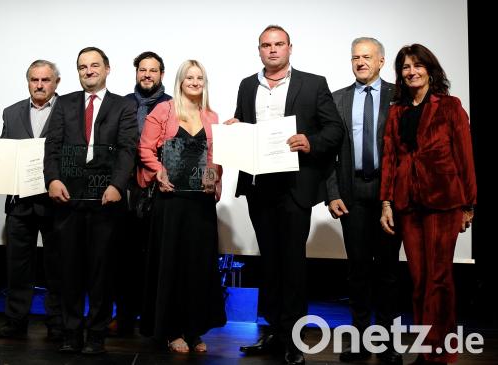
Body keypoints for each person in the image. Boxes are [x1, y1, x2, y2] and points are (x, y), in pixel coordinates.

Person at [229, 25, 344, 365]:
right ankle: (274, 332)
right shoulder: (248, 85)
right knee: (269, 262)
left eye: (279, 44)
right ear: (259, 50)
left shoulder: (314, 83)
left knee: (292, 262)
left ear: (290, 48)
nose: (273, 50)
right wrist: (235, 129)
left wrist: (311, 142)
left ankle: (294, 337)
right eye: (267, 45)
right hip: (259, 185)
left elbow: (334, 130)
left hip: (296, 186)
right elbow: (245, 125)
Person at [380, 44, 476, 364]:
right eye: (406, 67)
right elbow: (391, 158)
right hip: (408, 204)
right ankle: (426, 349)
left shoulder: (450, 106)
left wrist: (469, 205)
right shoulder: (398, 111)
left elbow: (465, 155)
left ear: (430, 69)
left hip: (443, 202)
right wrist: (387, 202)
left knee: (439, 278)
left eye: (417, 66)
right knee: (420, 280)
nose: (411, 72)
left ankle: (441, 351)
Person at [43, 46, 138, 355]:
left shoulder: (123, 106)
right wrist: (52, 179)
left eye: (94, 65)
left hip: (105, 201)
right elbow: (53, 144)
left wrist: (117, 185)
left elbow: (127, 149)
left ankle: (96, 335)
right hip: (68, 198)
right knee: (69, 270)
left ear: (107, 69)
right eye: (82, 66)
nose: (88, 71)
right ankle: (71, 333)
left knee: (101, 272)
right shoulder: (65, 103)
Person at [137, 59, 226, 354]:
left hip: (200, 204)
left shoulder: (211, 116)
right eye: (189, 77)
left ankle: (194, 329)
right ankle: (172, 330)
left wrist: (212, 180)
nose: (195, 82)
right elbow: (145, 149)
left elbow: (215, 158)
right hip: (171, 201)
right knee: (171, 265)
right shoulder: (163, 111)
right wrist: (158, 172)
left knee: (198, 267)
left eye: (200, 77)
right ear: (180, 81)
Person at [325, 37, 403, 364]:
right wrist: (332, 193)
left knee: (387, 271)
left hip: (390, 196)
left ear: (381, 61)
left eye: (367, 57)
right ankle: (358, 341)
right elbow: (328, 152)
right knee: (357, 271)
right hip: (351, 192)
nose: (360, 62)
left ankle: (384, 342)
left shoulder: (398, 96)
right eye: (355, 57)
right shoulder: (337, 99)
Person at [0, 60, 64, 341]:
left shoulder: (68, 111)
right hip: (20, 202)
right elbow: (4, 149)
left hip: (56, 202)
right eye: (34, 79)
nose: (39, 85)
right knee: (18, 265)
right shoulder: (11, 112)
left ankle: (57, 321)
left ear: (56, 82)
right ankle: (15, 320)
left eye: (45, 80)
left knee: (57, 266)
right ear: (27, 82)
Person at [111, 51, 172, 337]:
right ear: (136, 73)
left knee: (154, 257)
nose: (147, 75)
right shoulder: (121, 103)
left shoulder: (172, 106)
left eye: (153, 70)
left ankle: (151, 317)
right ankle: (122, 317)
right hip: (124, 187)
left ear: (162, 74)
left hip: (158, 187)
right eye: (142, 70)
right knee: (122, 256)